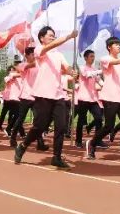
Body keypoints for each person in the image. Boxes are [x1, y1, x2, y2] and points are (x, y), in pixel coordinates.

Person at [14, 26, 78, 169]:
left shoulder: (59, 54)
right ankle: (23, 146)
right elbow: (53, 45)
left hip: (58, 95)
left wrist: (71, 72)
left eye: (54, 35)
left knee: (61, 126)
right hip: (43, 94)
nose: (53, 37)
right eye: (50, 35)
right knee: (39, 126)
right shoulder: (39, 50)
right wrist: (68, 36)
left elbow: (65, 67)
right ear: (42, 38)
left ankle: (56, 156)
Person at [72, 49, 103, 148]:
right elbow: (87, 75)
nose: (93, 58)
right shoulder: (82, 68)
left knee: (99, 118)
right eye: (91, 56)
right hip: (83, 98)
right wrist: (101, 70)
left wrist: (107, 85)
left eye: (93, 56)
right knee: (81, 120)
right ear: (85, 58)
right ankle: (78, 140)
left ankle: (97, 140)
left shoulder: (94, 69)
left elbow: (99, 81)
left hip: (93, 98)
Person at [0, 59, 22, 135]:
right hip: (12, 98)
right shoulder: (12, 75)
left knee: (17, 115)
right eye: (19, 65)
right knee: (16, 115)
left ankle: (13, 130)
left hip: (19, 98)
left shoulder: (21, 75)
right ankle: (9, 128)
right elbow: (8, 79)